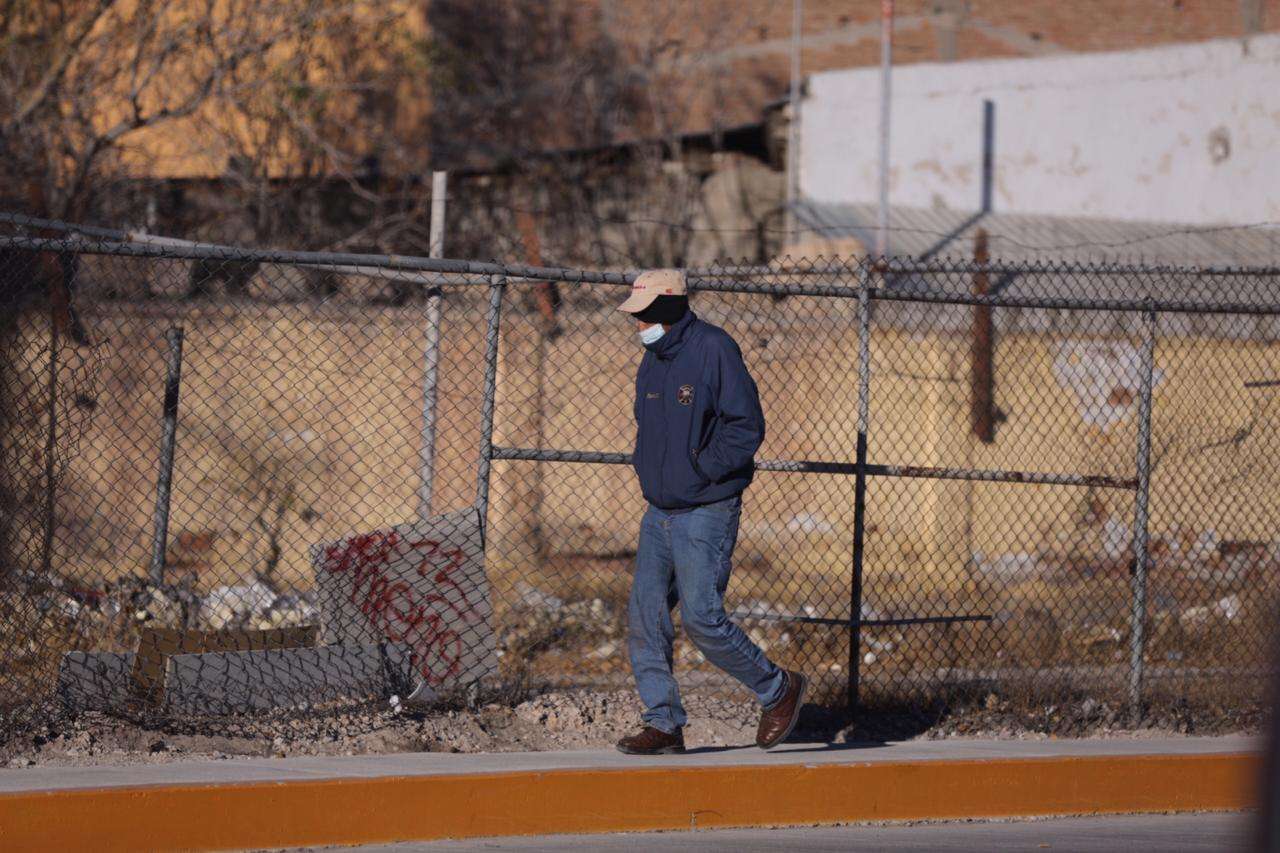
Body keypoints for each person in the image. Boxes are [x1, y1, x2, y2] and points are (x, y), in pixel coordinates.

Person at [613, 268, 807, 755]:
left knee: (702, 619)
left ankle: (778, 689)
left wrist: (700, 471)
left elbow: (745, 426)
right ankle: (664, 723)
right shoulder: (653, 360)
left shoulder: (714, 349)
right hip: (660, 510)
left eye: (644, 316)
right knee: (646, 616)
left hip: (706, 508)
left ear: (670, 309)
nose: (638, 325)